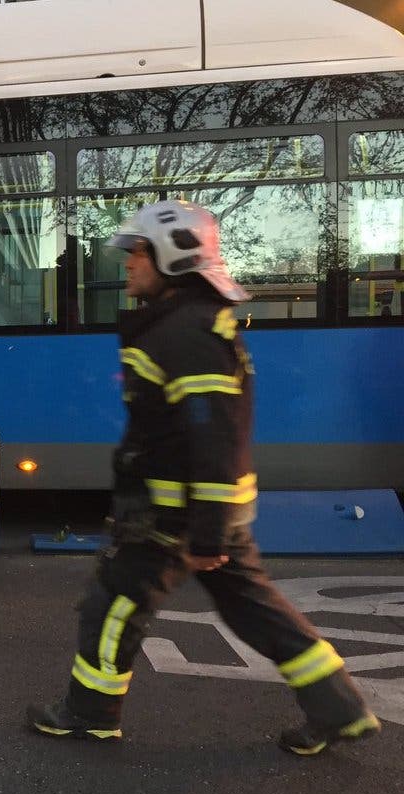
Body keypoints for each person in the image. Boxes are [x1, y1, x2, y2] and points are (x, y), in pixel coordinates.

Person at [26, 199, 380, 755]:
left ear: (172, 257)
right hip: (195, 513)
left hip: (176, 518)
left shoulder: (185, 334)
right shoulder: (183, 326)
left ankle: (90, 710)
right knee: (253, 609)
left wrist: (208, 530)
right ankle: (339, 707)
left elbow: (213, 437)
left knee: (113, 602)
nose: (127, 264)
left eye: (137, 252)